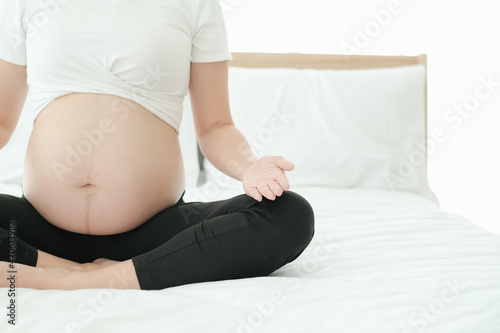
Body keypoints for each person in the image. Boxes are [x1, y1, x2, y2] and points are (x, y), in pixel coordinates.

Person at [0, 0, 314, 290]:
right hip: (38, 230)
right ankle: (58, 269)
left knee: (290, 214)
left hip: (156, 235)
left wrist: (249, 167)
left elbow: (216, 126)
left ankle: (103, 278)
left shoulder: (195, 5)